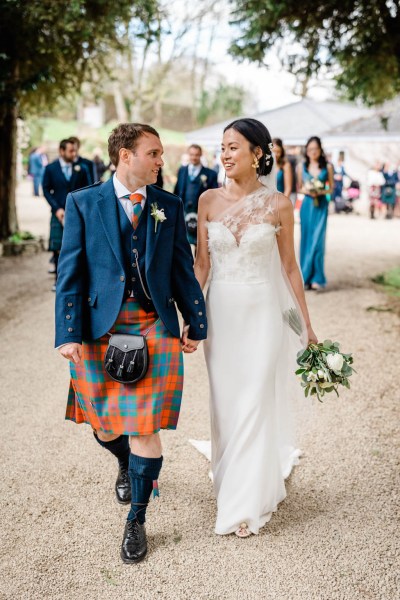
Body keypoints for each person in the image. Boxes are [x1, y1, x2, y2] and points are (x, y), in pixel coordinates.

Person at [55, 123, 207, 564]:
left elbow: (181, 267)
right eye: (154, 153)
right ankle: (123, 461)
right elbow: (71, 272)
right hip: (99, 326)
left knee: (145, 427)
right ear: (126, 155)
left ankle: (137, 519)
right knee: (104, 425)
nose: (162, 161)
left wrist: (196, 322)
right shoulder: (84, 202)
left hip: (152, 323)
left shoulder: (169, 205)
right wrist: (67, 333)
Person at [194, 118, 317, 537]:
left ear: (257, 153)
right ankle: (230, 477)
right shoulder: (207, 200)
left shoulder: (280, 204)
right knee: (227, 402)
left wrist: (306, 325)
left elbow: (289, 267)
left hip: (264, 312)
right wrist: (191, 319)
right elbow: (201, 266)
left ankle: (244, 503)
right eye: (222, 147)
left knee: (255, 398)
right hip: (221, 315)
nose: (225, 155)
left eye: (233, 147)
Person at [42, 139, 90, 291]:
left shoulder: (80, 168)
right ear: (61, 151)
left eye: (75, 150)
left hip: (77, 213)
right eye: (70, 151)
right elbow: (45, 189)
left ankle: (76, 279)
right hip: (58, 213)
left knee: (77, 245)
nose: (74, 153)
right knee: (58, 247)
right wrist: (57, 209)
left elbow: (87, 190)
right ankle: (58, 280)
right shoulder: (50, 168)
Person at [297, 136, 334, 291]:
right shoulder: (301, 166)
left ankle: (318, 278)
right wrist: (308, 191)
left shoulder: (328, 167)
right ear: (307, 150)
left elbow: (331, 188)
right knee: (306, 240)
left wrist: (320, 191)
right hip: (307, 206)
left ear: (320, 150)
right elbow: (299, 187)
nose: (313, 152)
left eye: (316, 149)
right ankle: (305, 277)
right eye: (310, 149)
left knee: (318, 242)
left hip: (320, 207)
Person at [174, 144, 218, 247]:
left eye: (197, 155)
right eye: (192, 154)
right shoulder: (182, 170)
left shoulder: (210, 174)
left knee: (200, 241)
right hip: (183, 210)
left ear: (201, 155)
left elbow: (214, 196)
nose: (194, 157)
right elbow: (176, 189)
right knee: (183, 240)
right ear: (188, 155)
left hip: (201, 212)